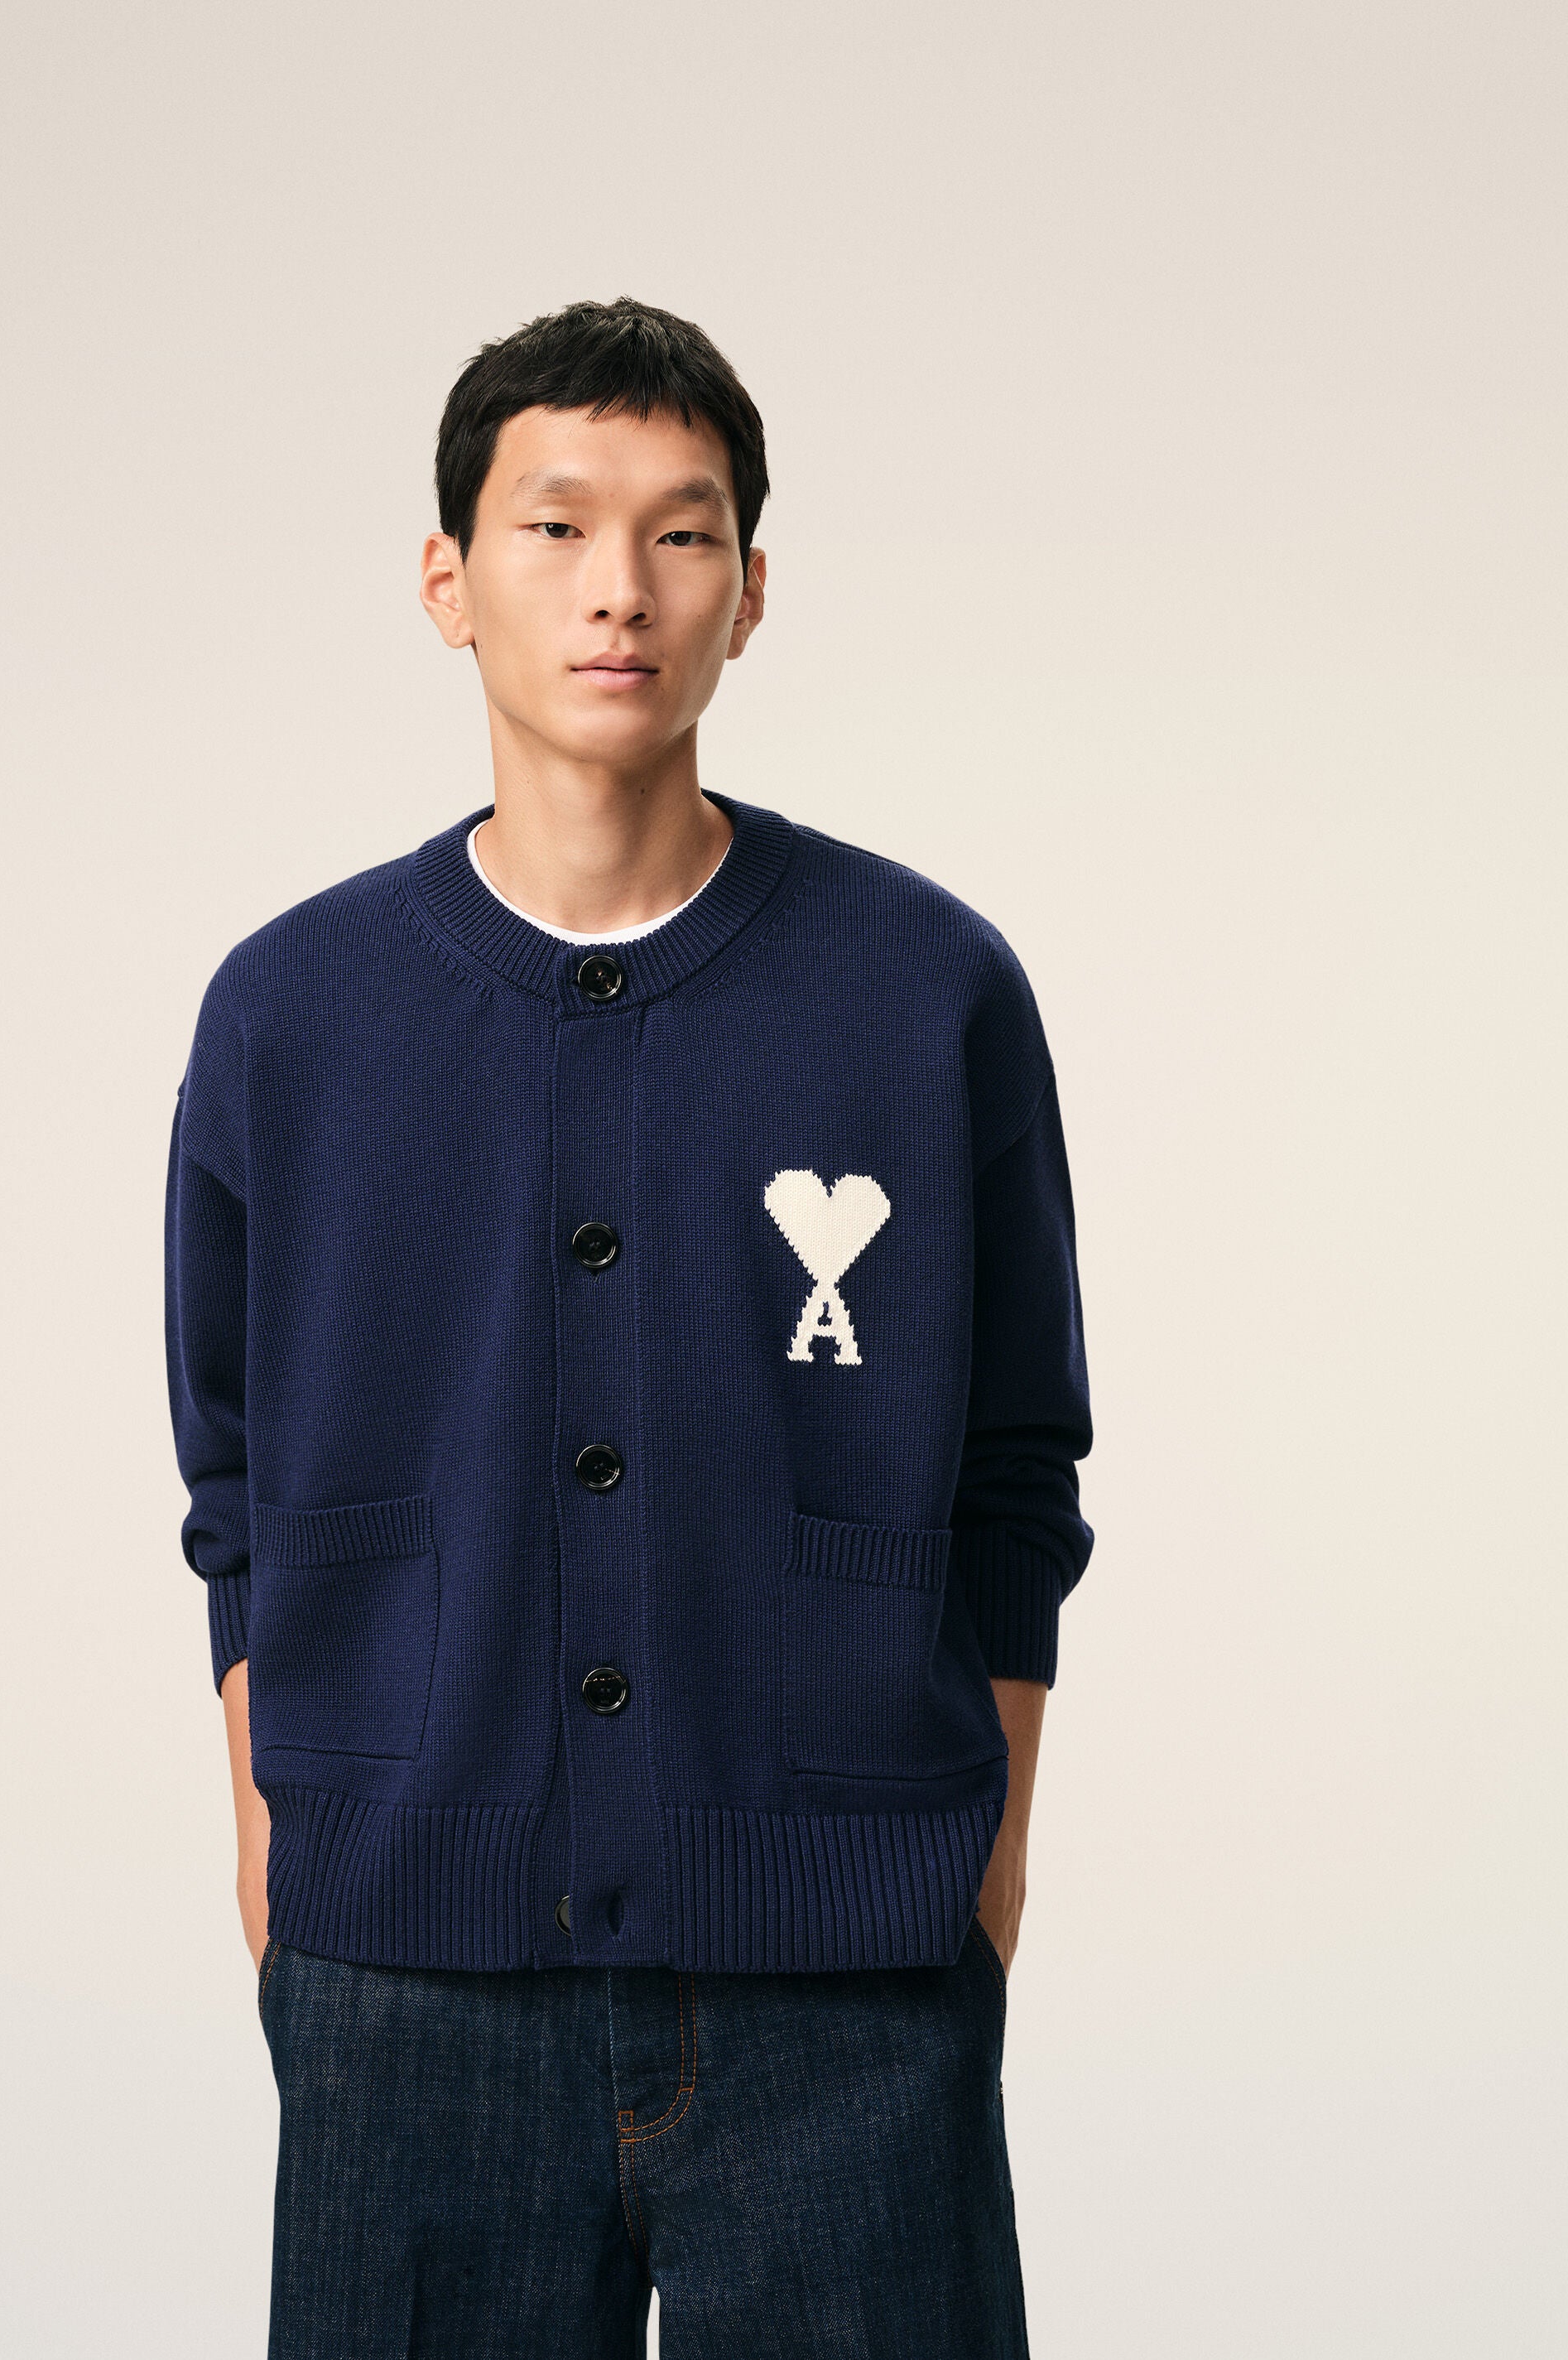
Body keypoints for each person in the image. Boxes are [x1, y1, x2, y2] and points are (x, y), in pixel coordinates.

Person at [164, 295, 1094, 2358]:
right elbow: (238, 1487)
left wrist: (981, 1878)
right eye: (558, 525)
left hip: (847, 1979)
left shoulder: (924, 991)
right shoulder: (294, 1017)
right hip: (411, 1988)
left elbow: (1019, 1470)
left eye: (684, 534)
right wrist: (279, 1854)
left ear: (750, 594)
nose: (621, 589)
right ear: (447, 581)